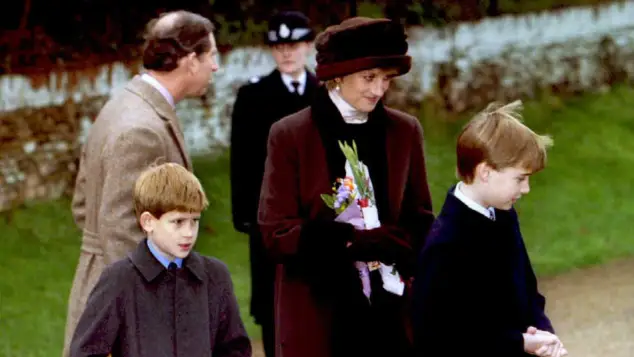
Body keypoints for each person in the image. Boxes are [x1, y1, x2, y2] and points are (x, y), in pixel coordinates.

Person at [257, 17, 435, 357]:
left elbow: (421, 217)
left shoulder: (405, 131)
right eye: (369, 78)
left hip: (392, 318)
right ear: (337, 76)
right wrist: (349, 241)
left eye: (385, 79)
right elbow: (275, 232)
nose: (378, 90)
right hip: (321, 316)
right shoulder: (290, 135)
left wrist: (400, 245)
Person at [62, 10, 219, 356]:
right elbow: (119, 227)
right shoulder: (142, 128)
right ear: (190, 61)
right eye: (211, 56)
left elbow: (82, 207)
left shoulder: (125, 105)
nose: (216, 67)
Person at [411, 101, 568, 357]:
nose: (526, 189)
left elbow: (528, 291)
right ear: (485, 172)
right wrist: (518, 343)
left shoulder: (504, 215)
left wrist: (543, 334)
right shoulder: (446, 244)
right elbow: (444, 335)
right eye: (520, 178)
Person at [69, 163, 252, 357]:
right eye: (178, 222)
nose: (189, 233)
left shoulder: (215, 275)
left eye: (195, 221)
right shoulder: (119, 279)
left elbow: (235, 349)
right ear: (148, 222)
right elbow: (85, 352)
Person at [229, 10, 317, 357]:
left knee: (316, 298)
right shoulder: (253, 97)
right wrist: (248, 219)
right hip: (270, 221)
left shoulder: (324, 94)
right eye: (279, 46)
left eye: (294, 44)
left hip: (315, 218)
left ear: (308, 46)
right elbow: (242, 162)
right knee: (270, 303)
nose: (286, 53)